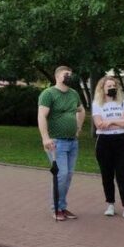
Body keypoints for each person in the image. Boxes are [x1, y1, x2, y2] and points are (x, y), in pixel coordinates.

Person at [38, 66, 86, 222]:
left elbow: (81, 110)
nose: (69, 76)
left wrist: (78, 127)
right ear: (58, 76)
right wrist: (45, 138)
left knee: (68, 175)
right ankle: (56, 208)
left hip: (72, 142)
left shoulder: (73, 94)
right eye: (67, 74)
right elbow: (41, 116)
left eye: (71, 74)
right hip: (56, 142)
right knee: (61, 175)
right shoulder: (48, 94)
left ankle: (62, 206)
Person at [92, 76, 124, 221]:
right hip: (104, 142)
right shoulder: (97, 104)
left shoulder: (122, 103)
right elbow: (99, 124)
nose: (112, 88)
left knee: (123, 175)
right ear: (103, 88)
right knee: (107, 174)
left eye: (114, 86)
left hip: (121, 141)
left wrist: (112, 121)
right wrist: (121, 122)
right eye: (109, 86)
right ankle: (110, 204)